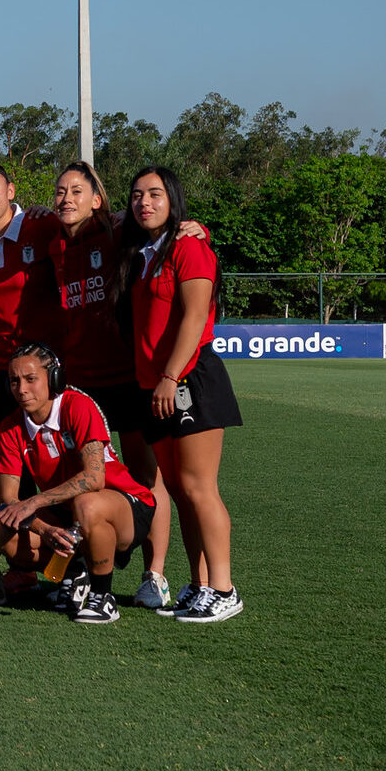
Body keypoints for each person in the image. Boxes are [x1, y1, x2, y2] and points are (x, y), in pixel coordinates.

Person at [47, 160, 174, 610]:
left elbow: (165, 231)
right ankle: (79, 570)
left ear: (97, 200)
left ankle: (154, 575)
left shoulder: (118, 230)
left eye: (77, 192)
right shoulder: (54, 244)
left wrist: (194, 227)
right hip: (81, 384)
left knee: (146, 474)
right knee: (82, 477)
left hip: (127, 376)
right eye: (60, 191)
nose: (66, 199)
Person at [121, 165, 244, 622]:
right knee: (176, 486)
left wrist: (171, 377)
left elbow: (194, 317)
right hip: (155, 386)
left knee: (198, 486)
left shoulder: (188, 247)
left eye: (155, 194)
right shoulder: (144, 251)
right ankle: (199, 584)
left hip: (188, 379)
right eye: (136, 195)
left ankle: (225, 588)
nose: (144, 202)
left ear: (174, 199)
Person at [0, 344, 158, 624]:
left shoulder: (77, 406)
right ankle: (75, 573)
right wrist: (46, 530)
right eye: (14, 381)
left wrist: (37, 501)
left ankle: (103, 596)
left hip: (123, 504)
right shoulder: (10, 426)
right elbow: (9, 500)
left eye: (31, 379)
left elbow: (94, 477)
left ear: (53, 379)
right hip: (66, 512)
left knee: (87, 503)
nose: (21, 389)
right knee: (4, 525)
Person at [0, 149, 63, 418]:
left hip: (46, 363)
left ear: (10, 191)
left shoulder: (42, 225)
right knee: (4, 449)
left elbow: (90, 228)